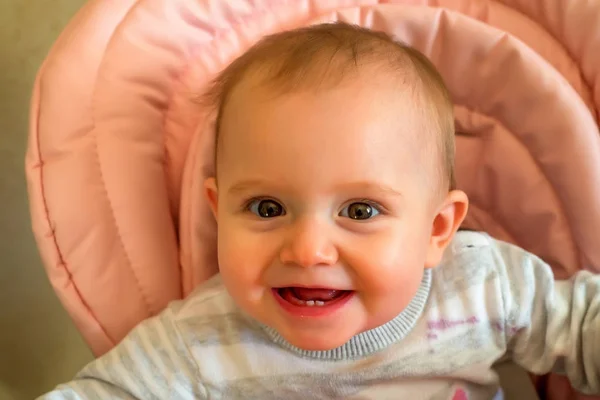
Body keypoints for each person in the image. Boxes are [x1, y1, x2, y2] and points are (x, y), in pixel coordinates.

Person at [40, 22, 600, 400]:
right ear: (219, 212)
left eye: (359, 210)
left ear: (436, 230)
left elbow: (582, 329)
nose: (307, 250)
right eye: (266, 207)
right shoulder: (199, 341)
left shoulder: (484, 286)